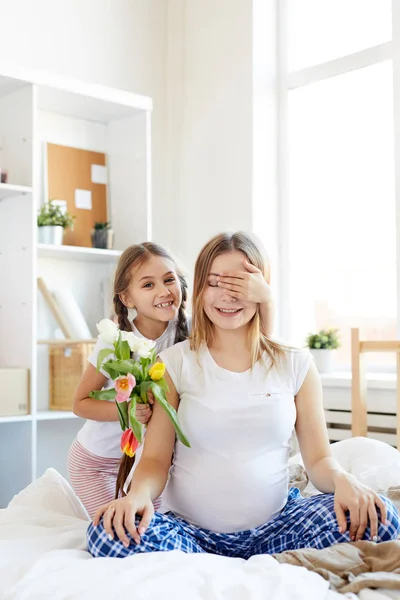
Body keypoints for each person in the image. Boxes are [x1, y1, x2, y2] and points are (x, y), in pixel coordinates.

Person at [68, 240, 274, 518]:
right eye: (148, 285)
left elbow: (257, 346)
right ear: (127, 298)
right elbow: (80, 403)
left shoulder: (191, 330)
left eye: (169, 280)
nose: (164, 291)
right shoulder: (115, 341)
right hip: (98, 463)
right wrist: (128, 412)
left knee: (155, 527)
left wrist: (265, 298)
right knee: (116, 527)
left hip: (151, 463)